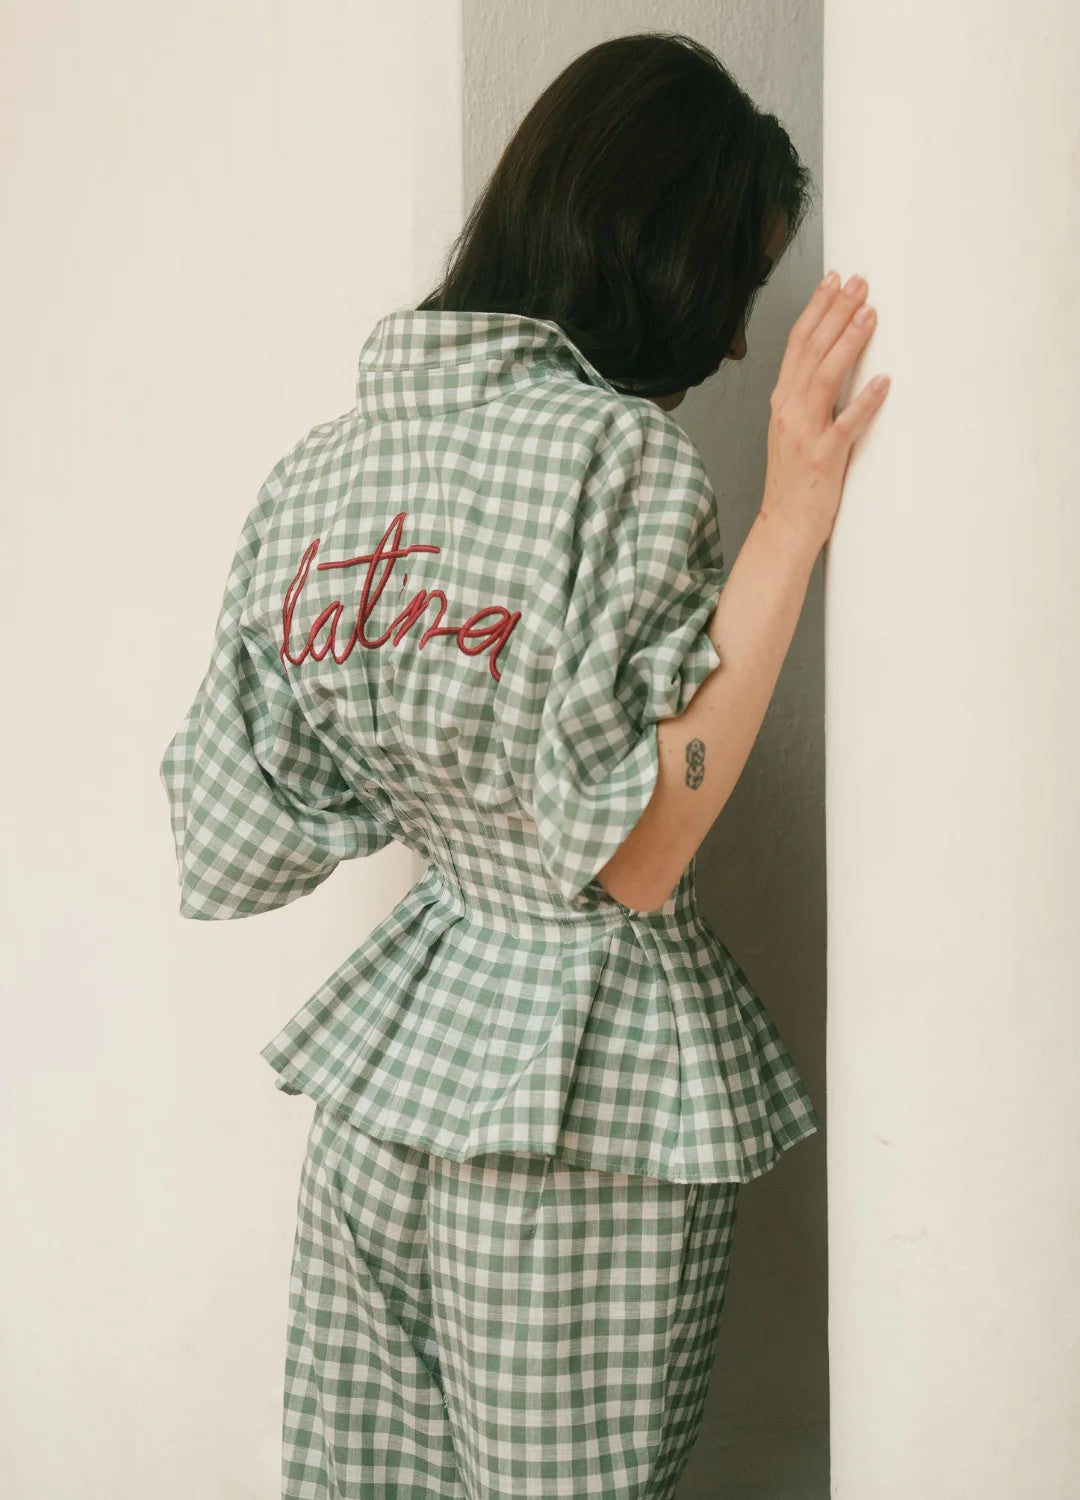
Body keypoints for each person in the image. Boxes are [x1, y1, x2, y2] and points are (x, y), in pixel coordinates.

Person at [159, 29, 889, 1500]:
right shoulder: (618, 461)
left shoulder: (326, 470)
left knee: (371, 1479)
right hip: (583, 1091)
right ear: (654, 250)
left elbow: (235, 830)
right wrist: (791, 517)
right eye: (737, 283)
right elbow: (638, 856)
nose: (734, 343)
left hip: (394, 1081)